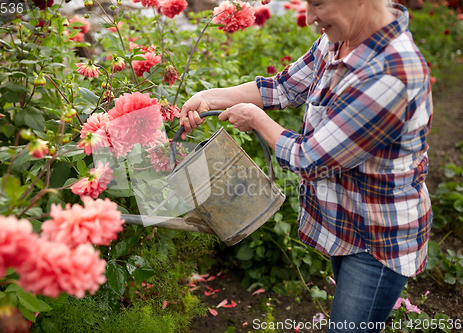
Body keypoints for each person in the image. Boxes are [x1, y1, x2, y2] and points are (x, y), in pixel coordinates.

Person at [180, 0, 433, 332]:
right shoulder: (340, 39)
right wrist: (210, 97)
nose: (310, 17)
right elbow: (283, 87)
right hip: (349, 224)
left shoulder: (393, 73)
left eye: (318, 4)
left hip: (378, 241)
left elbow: (310, 159)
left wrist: (255, 119)